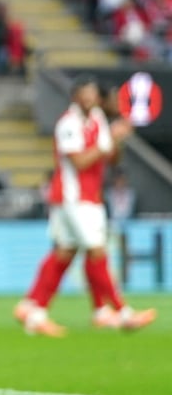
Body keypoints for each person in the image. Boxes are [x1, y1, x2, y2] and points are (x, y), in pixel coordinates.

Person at [13, 78, 156, 336]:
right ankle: (122, 312)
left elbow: (112, 158)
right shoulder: (68, 124)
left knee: (64, 253)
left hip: (90, 197)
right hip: (72, 198)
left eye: (93, 94)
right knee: (97, 251)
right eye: (85, 94)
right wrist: (108, 140)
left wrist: (118, 139)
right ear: (75, 97)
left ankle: (33, 309)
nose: (90, 98)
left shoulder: (98, 118)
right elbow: (79, 161)